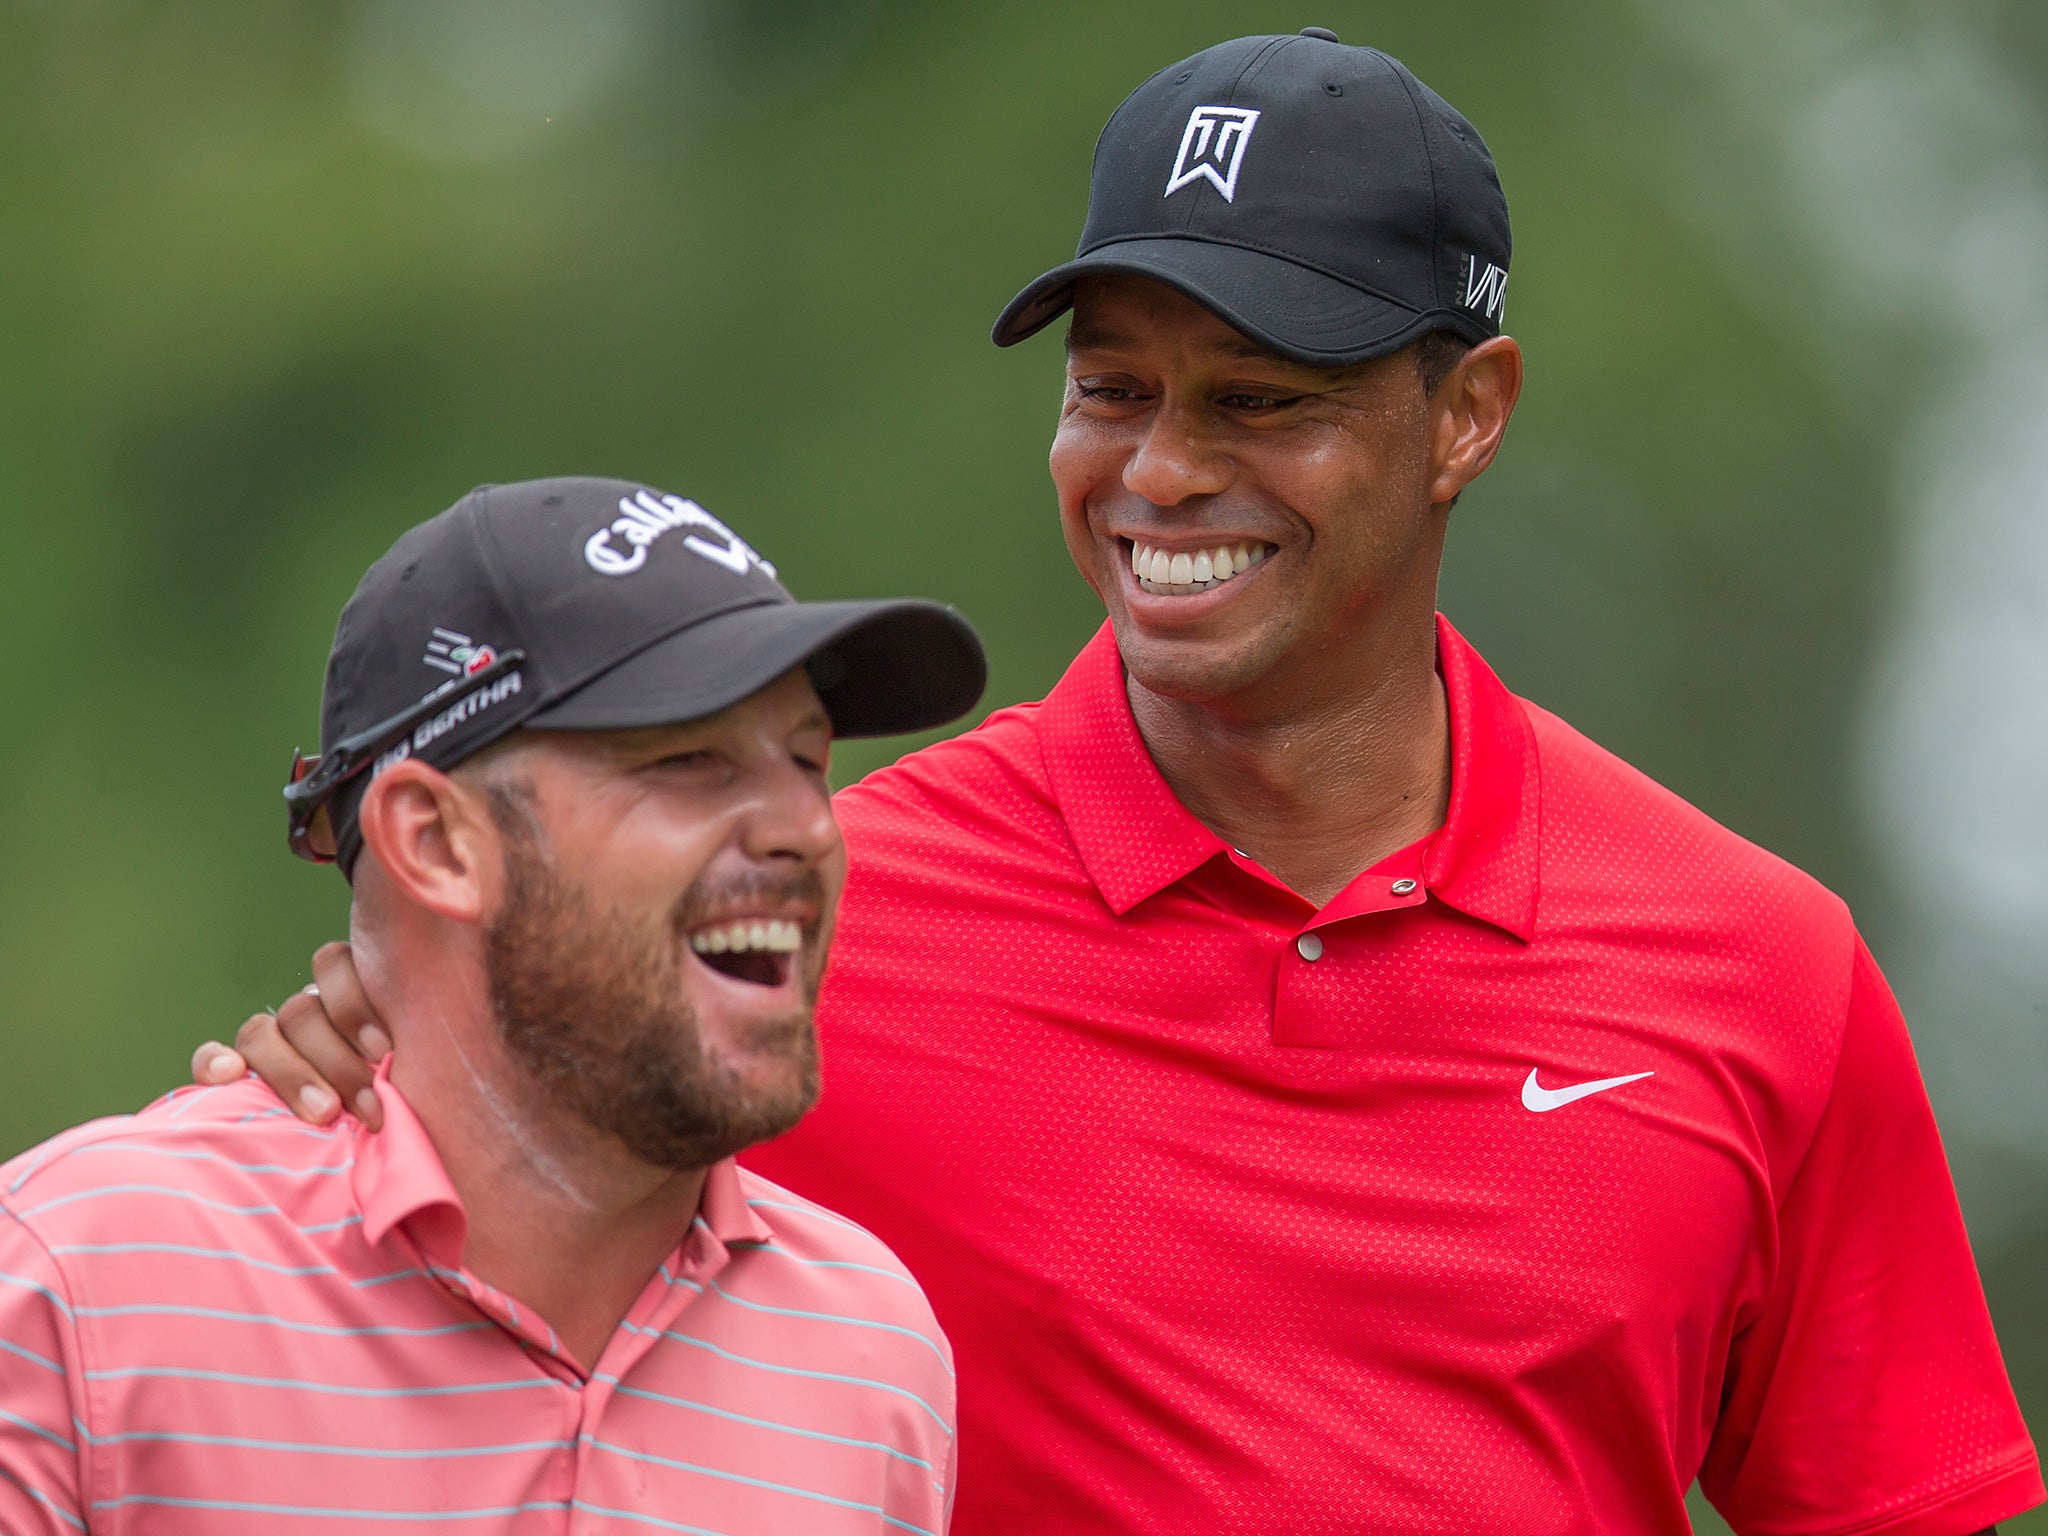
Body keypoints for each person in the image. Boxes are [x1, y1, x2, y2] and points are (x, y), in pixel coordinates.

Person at [194, 33, 2043, 1536]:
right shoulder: (802, 917)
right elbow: (418, 1266)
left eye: (1256, 402)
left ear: (1465, 413)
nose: (1157, 474)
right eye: (1112, 391)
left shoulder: (1750, 966)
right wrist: (382, 1022)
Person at [1, 476, 986, 1533]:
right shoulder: (78, 1285)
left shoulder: (873, 1360)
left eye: (805, 759)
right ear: (434, 842)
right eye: (687, 759)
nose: (809, 826)